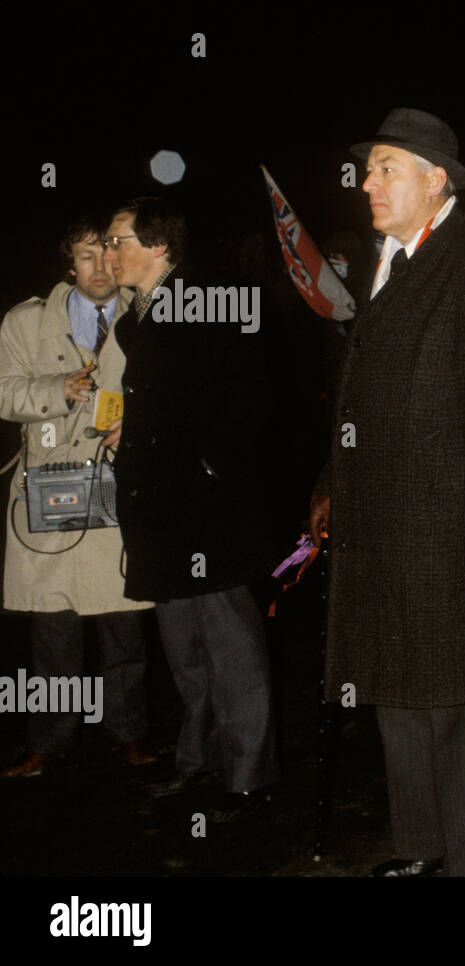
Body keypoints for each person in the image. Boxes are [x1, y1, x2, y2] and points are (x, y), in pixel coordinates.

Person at [309, 108, 465, 876]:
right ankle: (418, 852)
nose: (367, 182)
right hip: (381, 522)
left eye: (386, 168)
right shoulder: (390, 256)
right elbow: (361, 389)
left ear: (436, 182)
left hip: (442, 530)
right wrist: (333, 480)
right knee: (395, 696)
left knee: (450, 711)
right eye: (368, 169)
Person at [102, 196, 279, 823]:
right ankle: (196, 759)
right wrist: (136, 432)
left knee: (229, 641)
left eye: (119, 241)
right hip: (160, 507)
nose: (108, 254)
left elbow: (238, 400)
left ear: (159, 246)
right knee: (183, 643)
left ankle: (248, 775)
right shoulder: (139, 317)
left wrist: (202, 464)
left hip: (205, 508)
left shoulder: (207, 303)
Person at [0, 219, 155, 778]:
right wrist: (55, 390)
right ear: (70, 264)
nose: (99, 267)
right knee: (53, 626)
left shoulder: (147, 314)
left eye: (108, 253)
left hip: (118, 481)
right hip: (51, 489)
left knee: (122, 621)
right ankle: (47, 739)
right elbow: (4, 390)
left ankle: (131, 735)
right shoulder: (25, 321)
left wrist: (136, 425)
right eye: (86, 257)